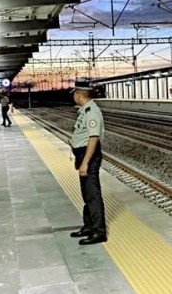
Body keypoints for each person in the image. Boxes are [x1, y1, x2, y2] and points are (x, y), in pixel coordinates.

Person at [69, 82, 107, 245]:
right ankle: (89, 226)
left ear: (79, 94)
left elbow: (93, 138)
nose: (74, 96)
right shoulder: (85, 110)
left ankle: (99, 232)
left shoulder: (92, 112)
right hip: (83, 155)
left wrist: (85, 163)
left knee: (92, 194)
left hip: (89, 156)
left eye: (74, 93)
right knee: (86, 193)